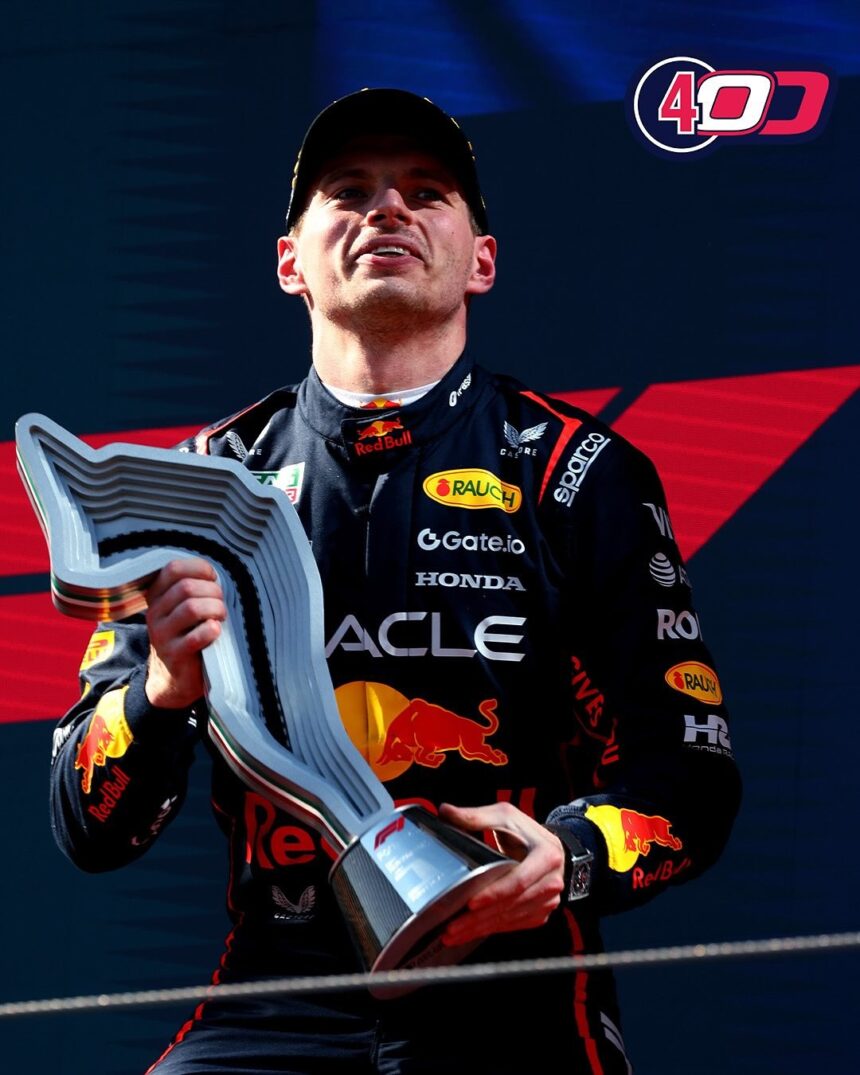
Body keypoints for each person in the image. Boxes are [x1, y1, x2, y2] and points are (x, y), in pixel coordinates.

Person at [50, 88, 741, 1074]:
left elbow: (692, 778)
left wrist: (569, 853)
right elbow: (86, 822)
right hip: (277, 996)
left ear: (482, 260)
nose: (388, 209)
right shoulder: (201, 485)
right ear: (288, 261)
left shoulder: (577, 473)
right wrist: (161, 691)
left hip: (517, 987)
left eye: (426, 192)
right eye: (349, 190)